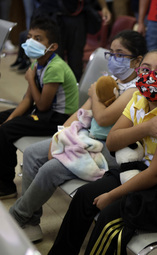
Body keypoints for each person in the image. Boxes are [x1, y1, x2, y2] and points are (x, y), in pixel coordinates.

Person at [48, 48, 157, 255]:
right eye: (146, 69)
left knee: (110, 218)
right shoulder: (139, 99)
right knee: (84, 196)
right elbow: (113, 142)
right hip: (145, 173)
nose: (151, 76)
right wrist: (146, 128)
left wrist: (111, 195)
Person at [9, 30, 148, 242]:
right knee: (31, 154)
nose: (113, 59)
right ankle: (31, 223)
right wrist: (59, 136)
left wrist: (94, 95)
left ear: (137, 60)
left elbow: (102, 118)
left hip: (111, 149)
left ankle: (16, 217)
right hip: (87, 138)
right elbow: (80, 113)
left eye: (120, 54)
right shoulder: (109, 80)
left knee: (49, 169)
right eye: (111, 53)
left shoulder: (135, 89)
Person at [0, 16, 79, 199]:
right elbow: (28, 99)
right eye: (29, 36)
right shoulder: (38, 61)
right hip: (44, 111)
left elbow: (42, 106)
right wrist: (10, 119)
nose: (30, 41)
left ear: (52, 46)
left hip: (59, 118)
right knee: (4, 123)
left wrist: (30, 80)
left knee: (5, 132)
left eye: (38, 38)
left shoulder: (55, 67)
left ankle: (6, 184)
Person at [34, 0, 112, 81]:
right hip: (52, 15)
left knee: (76, 62)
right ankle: (55, 90)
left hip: (77, 15)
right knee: (54, 62)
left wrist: (104, 7)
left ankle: (75, 88)